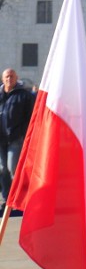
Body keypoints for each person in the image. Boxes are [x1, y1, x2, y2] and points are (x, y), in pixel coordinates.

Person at [0, 69, 35, 208]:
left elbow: (31, 116)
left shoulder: (24, 95)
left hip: (16, 138)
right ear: (2, 79)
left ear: (16, 78)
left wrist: (25, 134)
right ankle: (7, 198)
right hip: (1, 140)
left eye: (12, 76)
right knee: (2, 169)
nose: (9, 79)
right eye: (7, 77)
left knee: (13, 169)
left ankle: (20, 198)